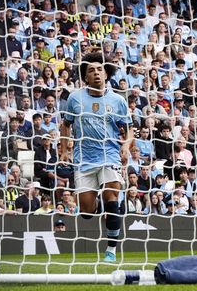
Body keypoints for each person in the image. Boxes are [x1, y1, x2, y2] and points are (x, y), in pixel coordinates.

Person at [60, 51, 132, 263]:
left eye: (100, 69)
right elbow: (65, 125)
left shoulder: (117, 100)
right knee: (87, 212)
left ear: (106, 74)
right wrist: (64, 150)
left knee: (112, 199)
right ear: (85, 77)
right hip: (84, 159)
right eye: (91, 70)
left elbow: (128, 129)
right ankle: (100, 205)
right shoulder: (75, 98)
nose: (96, 73)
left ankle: (111, 250)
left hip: (109, 155)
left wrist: (126, 146)